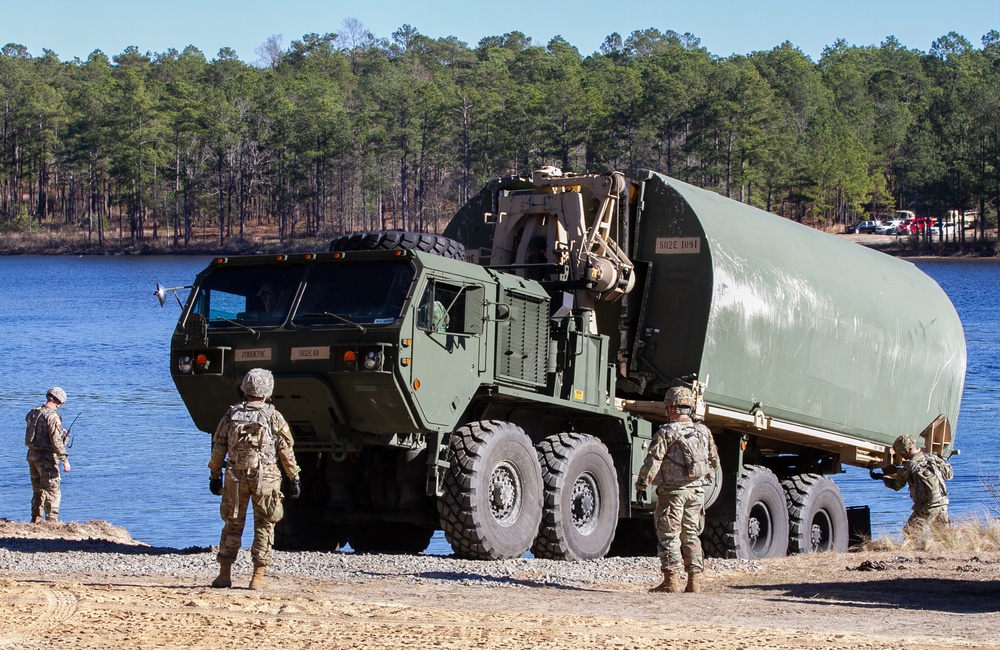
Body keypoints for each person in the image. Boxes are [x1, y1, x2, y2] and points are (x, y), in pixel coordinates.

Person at [208, 368, 301, 590]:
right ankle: (257, 577)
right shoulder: (274, 417)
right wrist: (294, 477)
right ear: (268, 391)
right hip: (266, 478)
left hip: (235, 476)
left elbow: (218, 446)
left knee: (232, 523)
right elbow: (285, 451)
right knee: (265, 525)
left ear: (245, 389)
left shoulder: (231, 415)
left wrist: (214, 474)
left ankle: (224, 575)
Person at [635, 386, 719, 593]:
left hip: (672, 493)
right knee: (691, 534)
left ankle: (670, 581)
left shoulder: (666, 432)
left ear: (671, 407)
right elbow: (714, 461)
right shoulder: (704, 432)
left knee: (670, 535)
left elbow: (653, 460)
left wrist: (642, 484)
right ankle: (694, 582)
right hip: (697, 493)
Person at [877, 434, 953, 535]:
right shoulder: (932, 458)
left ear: (907, 450)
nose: (901, 456)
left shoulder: (909, 466)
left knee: (909, 536)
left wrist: (883, 477)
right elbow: (949, 474)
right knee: (944, 538)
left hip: (926, 508)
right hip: (942, 505)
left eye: (901, 453)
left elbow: (897, 486)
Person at [25, 387, 71, 523]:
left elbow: (35, 429)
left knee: (38, 489)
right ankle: (52, 521)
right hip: (46, 457)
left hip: (32, 455)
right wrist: (65, 460)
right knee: (52, 490)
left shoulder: (33, 412)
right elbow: (56, 441)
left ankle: (35, 519)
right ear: (58, 401)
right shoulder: (52, 416)